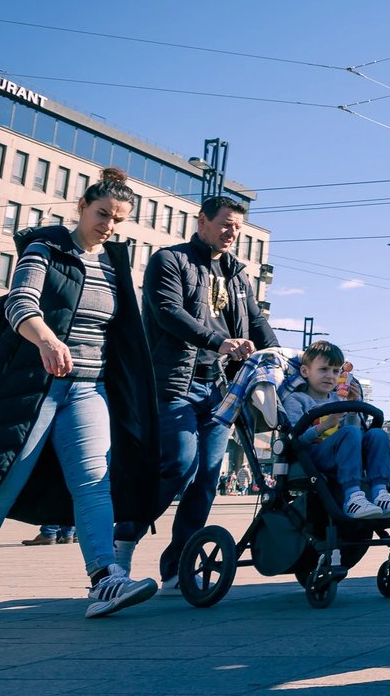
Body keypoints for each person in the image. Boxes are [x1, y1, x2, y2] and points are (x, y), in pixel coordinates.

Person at [0, 168, 160, 620]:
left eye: (118, 219)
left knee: (94, 481)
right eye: (102, 214)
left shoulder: (113, 265)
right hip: (35, 388)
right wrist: (47, 340)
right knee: (3, 481)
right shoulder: (46, 249)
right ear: (82, 207)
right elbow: (20, 303)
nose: (109, 225)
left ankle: (105, 579)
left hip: (89, 389)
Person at [111, 194, 278, 594]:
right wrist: (220, 341)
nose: (232, 233)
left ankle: (177, 566)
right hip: (175, 383)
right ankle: (124, 541)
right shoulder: (170, 261)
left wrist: (280, 357)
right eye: (225, 224)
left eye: (238, 227)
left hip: (220, 390)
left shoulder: (237, 274)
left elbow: (256, 322)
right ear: (202, 222)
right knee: (180, 465)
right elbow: (168, 312)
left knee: (206, 478)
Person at [281, 341, 390, 519]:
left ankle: (381, 493)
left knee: (377, 434)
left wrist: (353, 407)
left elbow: (354, 431)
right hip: (314, 454)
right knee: (350, 433)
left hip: (345, 452)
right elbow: (297, 439)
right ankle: (353, 497)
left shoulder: (339, 398)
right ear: (305, 371)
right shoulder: (297, 399)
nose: (330, 376)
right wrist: (324, 425)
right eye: (323, 369)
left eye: (335, 371)